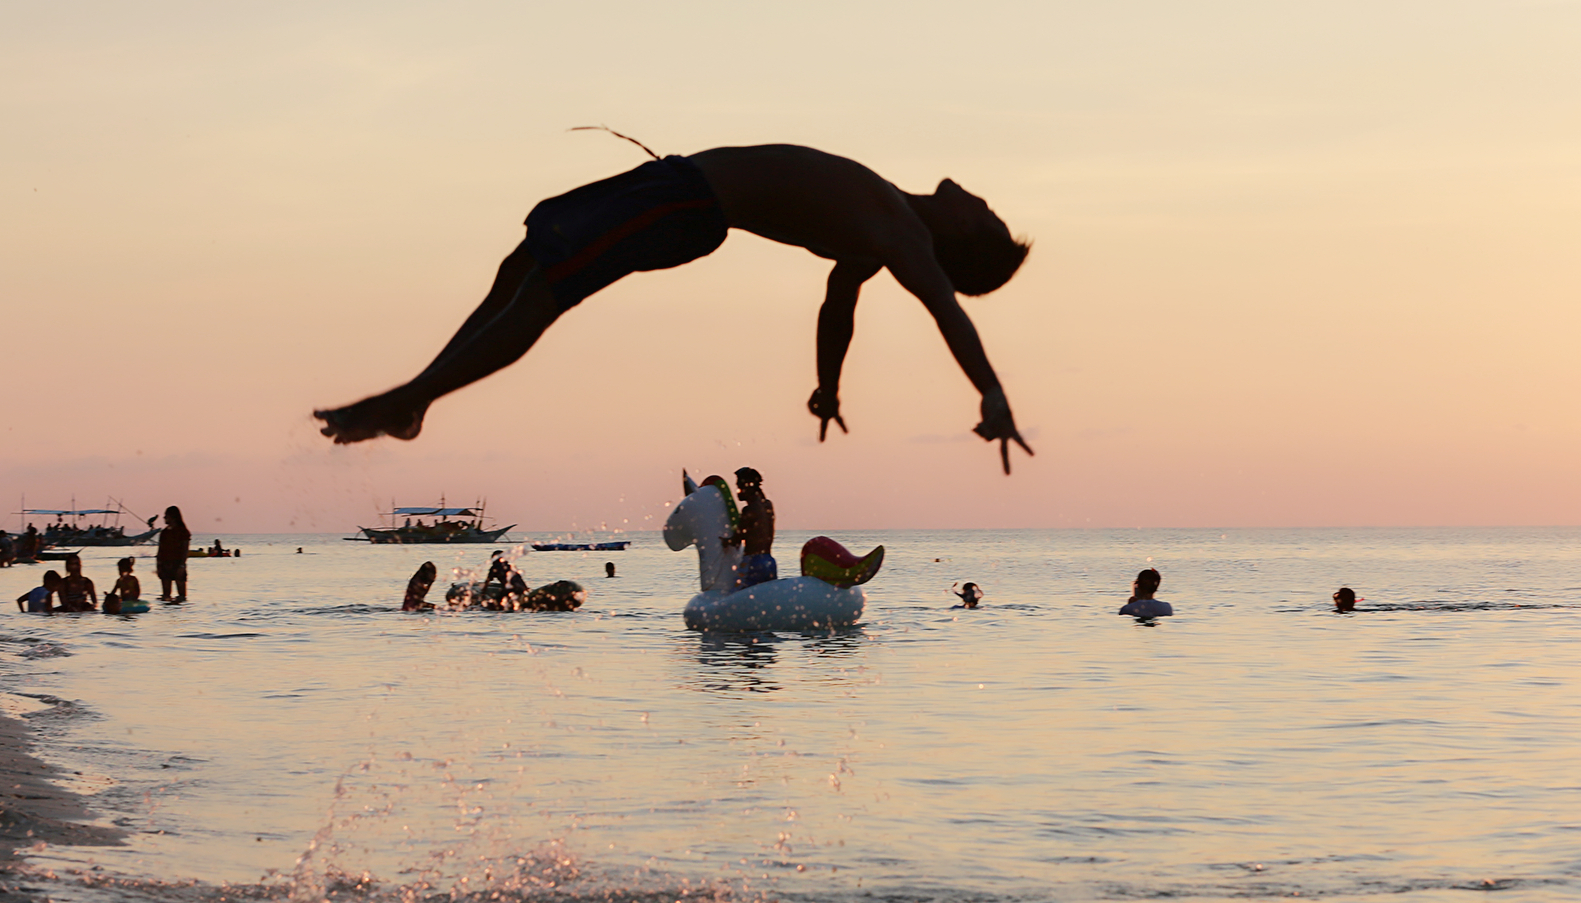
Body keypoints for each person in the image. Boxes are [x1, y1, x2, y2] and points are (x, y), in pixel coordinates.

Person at [313, 144, 1035, 472]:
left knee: (545, 292)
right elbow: (838, 303)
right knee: (524, 262)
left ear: (962, 234)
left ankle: (408, 400)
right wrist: (827, 385)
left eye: (989, 216)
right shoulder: (885, 221)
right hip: (678, 184)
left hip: (690, 206)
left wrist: (992, 391)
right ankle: (417, 399)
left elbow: (945, 312)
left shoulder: (903, 235)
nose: (980, 199)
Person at [733, 467, 778, 590]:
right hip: (769, 562)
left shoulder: (748, 510)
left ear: (747, 487)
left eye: (739, 487)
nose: (737, 492)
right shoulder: (768, 506)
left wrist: (724, 540)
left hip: (752, 563)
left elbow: (736, 539)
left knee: (736, 598)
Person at [156, 506, 190, 602]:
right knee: (166, 595)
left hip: (177, 564)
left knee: (181, 596)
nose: (164, 518)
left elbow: (185, 550)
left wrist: (182, 565)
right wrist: (159, 566)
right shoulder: (164, 533)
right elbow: (160, 550)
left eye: (166, 516)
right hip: (165, 564)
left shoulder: (183, 532)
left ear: (172, 517)